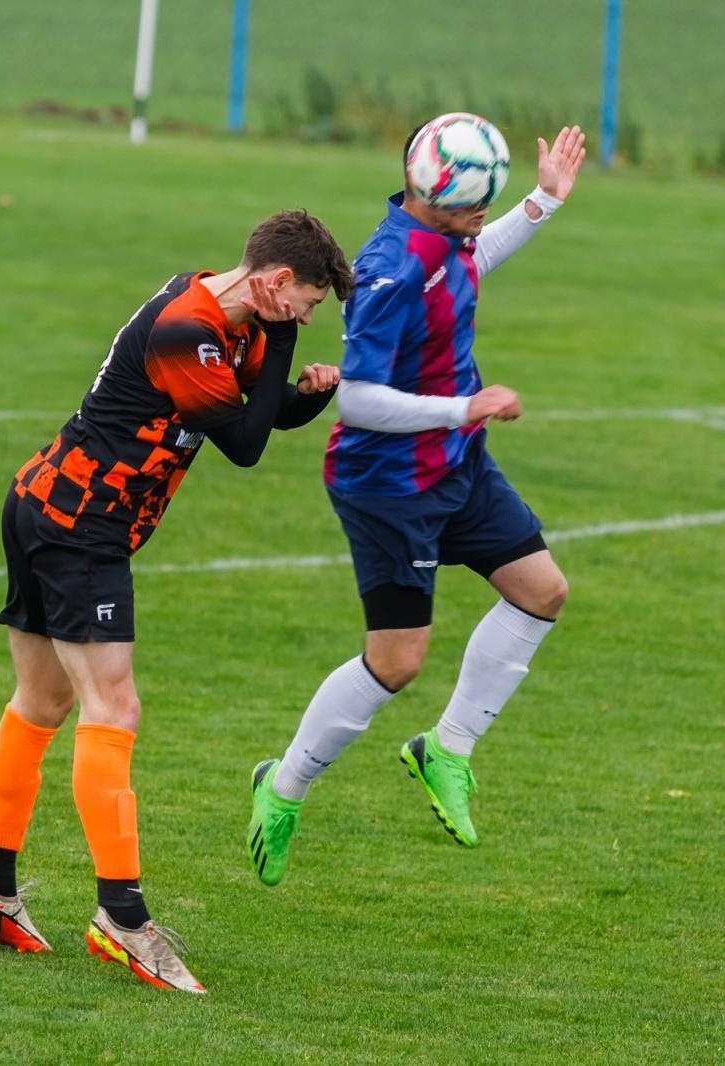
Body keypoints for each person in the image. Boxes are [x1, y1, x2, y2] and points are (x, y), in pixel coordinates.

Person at [0, 210, 352, 992]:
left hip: (48, 502)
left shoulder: (226, 317)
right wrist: (287, 349)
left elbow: (246, 416)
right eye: (305, 304)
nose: (306, 318)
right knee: (116, 706)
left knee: (40, 703)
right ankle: (124, 921)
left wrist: (301, 396)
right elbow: (241, 448)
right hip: (81, 524)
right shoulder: (189, 327)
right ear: (274, 283)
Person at [246, 119, 586, 886]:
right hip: (388, 485)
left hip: (455, 466)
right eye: (476, 203)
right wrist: (462, 410)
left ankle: (448, 749)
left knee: (542, 592)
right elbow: (359, 401)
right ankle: (284, 785)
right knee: (397, 661)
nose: (481, 214)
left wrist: (542, 203)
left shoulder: (445, 233)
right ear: (432, 193)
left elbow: (472, 256)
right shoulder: (391, 271)